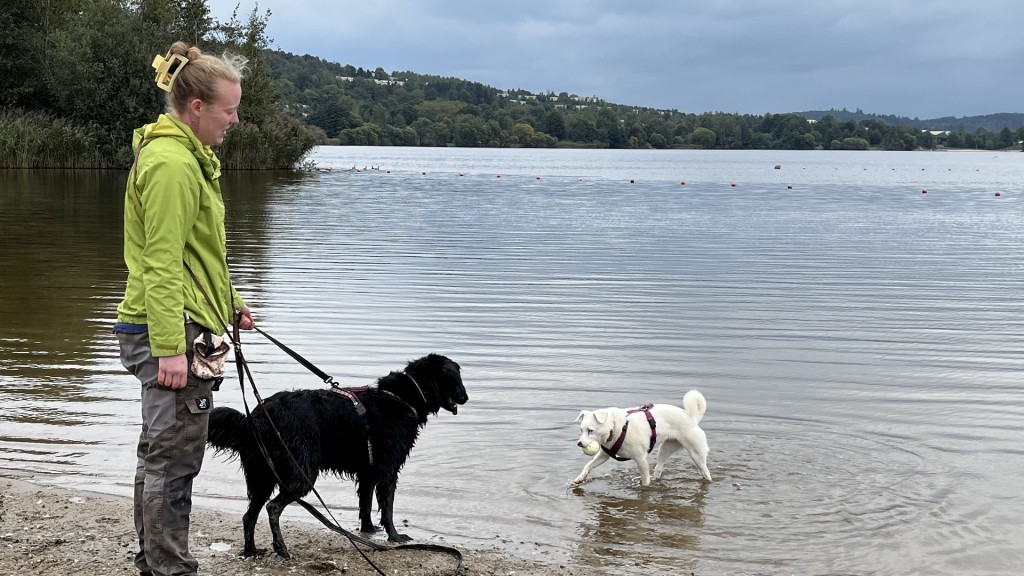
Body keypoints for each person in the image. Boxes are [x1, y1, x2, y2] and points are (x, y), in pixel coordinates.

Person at [113, 41, 255, 576]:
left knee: (159, 453)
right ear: (196, 106)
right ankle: (169, 568)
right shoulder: (173, 164)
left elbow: (199, 255)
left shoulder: (186, 158)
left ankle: (156, 561)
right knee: (173, 462)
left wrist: (232, 302)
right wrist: (170, 349)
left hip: (177, 322)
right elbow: (162, 263)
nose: (235, 119)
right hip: (168, 332)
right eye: (228, 109)